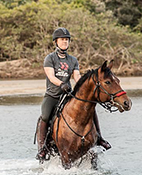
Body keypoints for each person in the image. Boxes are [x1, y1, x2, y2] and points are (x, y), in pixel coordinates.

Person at [36, 27, 111, 161]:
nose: (65, 42)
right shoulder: (50, 58)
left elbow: (77, 77)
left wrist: (84, 86)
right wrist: (61, 84)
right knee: (46, 116)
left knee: (91, 109)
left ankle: (99, 138)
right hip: (53, 95)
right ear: (56, 42)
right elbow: (51, 76)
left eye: (67, 40)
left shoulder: (73, 60)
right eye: (62, 40)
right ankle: (43, 148)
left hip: (68, 94)